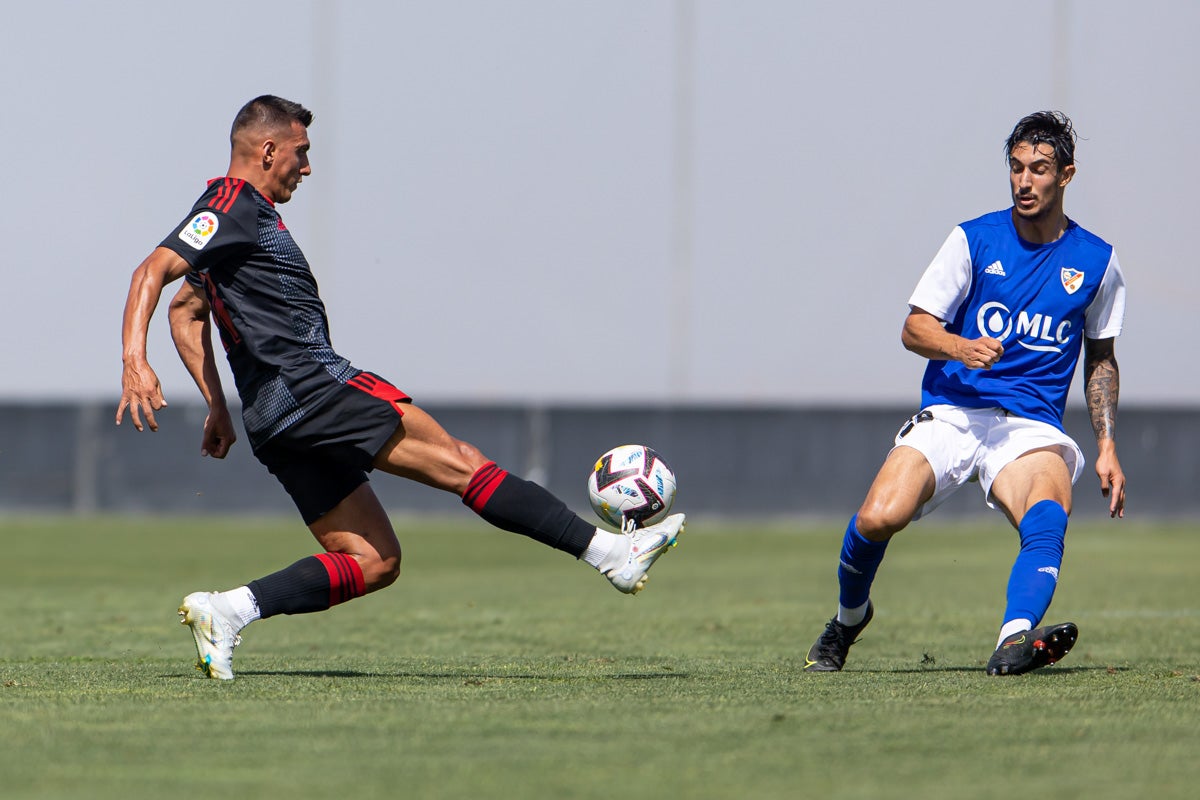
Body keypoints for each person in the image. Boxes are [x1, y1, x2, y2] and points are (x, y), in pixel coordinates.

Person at [117, 95, 685, 680]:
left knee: (374, 560)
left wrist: (217, 405)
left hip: (273, 418)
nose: (307, 168)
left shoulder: (229, 233)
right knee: (464, 465)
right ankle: (611, 553)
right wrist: (135, 361)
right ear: (267, 151)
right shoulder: (232, 203)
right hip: (314, 387)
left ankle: (228, 611)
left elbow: (186, 310)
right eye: (301, 153)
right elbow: (150, 273)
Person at [803, 111, 1126, 676]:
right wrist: (959, 347)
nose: (1025, 181)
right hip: (952, 412)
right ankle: (847, 620)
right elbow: (914, 327)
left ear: (1066, 175)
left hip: (1029, 425)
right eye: (1017, 168)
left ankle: (1014, 638)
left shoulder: (1098, 261)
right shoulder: (974, 239)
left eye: (1040, 170)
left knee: (1047, 511)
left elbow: (1100, 358)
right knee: (879, 517)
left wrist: (1105, 446)